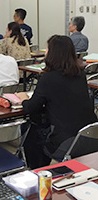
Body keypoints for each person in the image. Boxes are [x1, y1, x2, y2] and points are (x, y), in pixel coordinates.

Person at [16, 35, 97, 169]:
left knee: (31, 130)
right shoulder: (80, 75)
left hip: (66, 142)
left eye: (47, 48)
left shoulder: (48, 78)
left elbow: (31, 107)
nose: (45, 51)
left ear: (53, 53)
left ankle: (36, 172)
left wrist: (24, 98)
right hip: (89, 136)